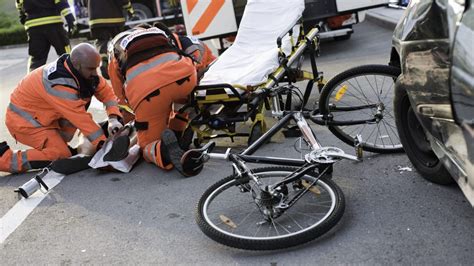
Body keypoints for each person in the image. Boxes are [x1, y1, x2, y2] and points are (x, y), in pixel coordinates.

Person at [106, 25, 216, 176]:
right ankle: (178, 133)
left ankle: (163, 151)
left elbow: (120, 95)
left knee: (146, 145)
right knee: (180, 104)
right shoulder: (158, 32)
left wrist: (137, 117)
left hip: (148, 93)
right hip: (185, 78)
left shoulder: (115, 48)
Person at [0, 43, 123, 174]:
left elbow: (107, 94)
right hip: (25, 122)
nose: (95, 73)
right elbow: (80, 119)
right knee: (59, 154)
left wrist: (113, 118)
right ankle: (4, 159)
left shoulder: (80, 71)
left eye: (96, 68)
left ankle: (60, 146)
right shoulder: (59, 83)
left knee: (66, 148)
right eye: (91, 69)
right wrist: (105, 145)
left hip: (43, 117)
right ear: (77, 64)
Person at [15, 0, 77, 73]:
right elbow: (60, 1)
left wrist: (22, 16)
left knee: (36, 59)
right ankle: (74, 76)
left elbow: (19, 5)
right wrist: (70, 19)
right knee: (65, 54)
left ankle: (30, 82)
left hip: (33, 26)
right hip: (54, 24)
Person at [88, 0, 137, 79]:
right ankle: (122, 64)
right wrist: (130, 10)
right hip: (115, 17)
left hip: (95, 19)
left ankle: (103, 59)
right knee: (118, 40)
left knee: (101, 41)